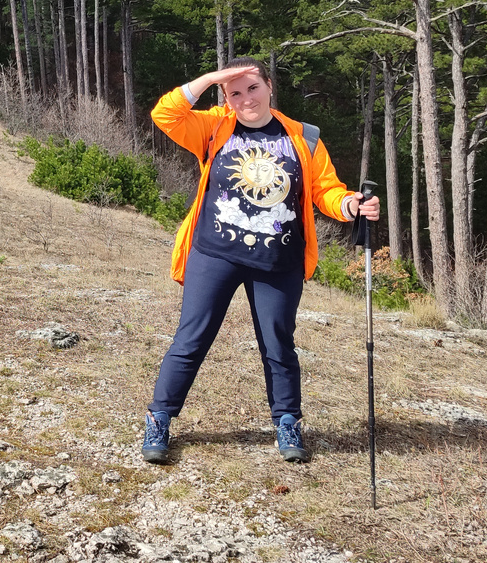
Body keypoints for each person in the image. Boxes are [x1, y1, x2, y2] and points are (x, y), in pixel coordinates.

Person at [142, 58, 379, 464]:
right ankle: (159, 417)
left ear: (270, 86)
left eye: (252, 87)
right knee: (191, 338)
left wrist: (351, 205)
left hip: (278, 261)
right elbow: (165, 114)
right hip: (214, 254)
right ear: (225, 98)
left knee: (278, 344)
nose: (245, 99)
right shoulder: (214, 127)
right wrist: (211, 79)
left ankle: (287, 421)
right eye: (234, 93)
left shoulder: (304, 137)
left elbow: (325, 191)